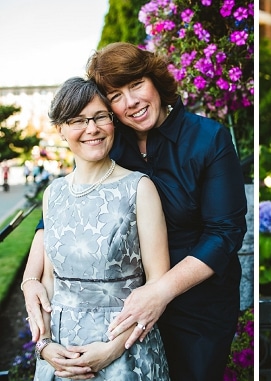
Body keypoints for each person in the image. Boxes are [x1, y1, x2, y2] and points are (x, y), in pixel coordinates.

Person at [22, 42, 248, 380]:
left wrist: (161, 290)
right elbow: (60, 211)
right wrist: (30, 278)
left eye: (137, 84)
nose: (131, 103)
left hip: (197, 303)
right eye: (115, 96)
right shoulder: (108, 138)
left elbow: (225, 232)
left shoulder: (208, 139)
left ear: (155, 79)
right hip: (124, 304)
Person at [32, 77, 170, 379]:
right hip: (61, 353)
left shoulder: (139, 187)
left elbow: (157, 283)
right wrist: (44, 346)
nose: (91, 128)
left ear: (112, 122)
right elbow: (49, 283)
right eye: (77, 120)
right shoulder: (52, 194)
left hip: (126, 346)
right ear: (61, 129)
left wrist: (112, 349)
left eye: (99, 117)